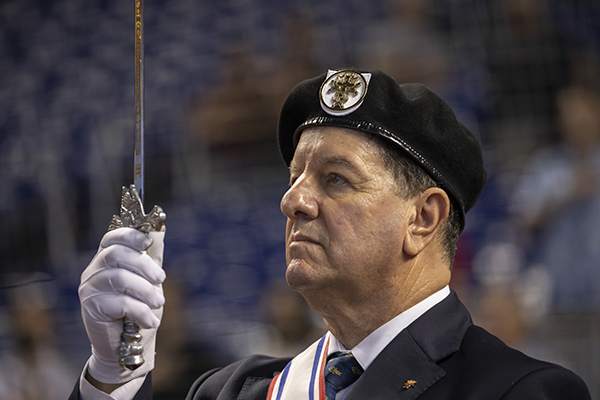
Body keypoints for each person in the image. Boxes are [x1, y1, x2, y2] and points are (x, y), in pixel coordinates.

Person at [69, 69, 590, 399]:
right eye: (293, 176)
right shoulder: (230, 390)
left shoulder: (522, 391)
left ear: (423, 219)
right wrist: (113, 377)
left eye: (335, 179)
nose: (292, 200)